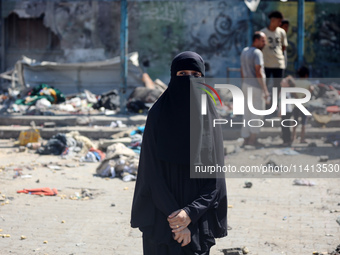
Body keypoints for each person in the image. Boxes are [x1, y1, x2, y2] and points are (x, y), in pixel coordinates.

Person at [131, 51, 228, 255]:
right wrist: (177, 220)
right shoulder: (157, 114)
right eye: (182, 74)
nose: (189, 80)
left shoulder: (209, 116)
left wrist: (189, 214)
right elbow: (151, 173)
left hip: (198, 219)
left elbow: (215, 178)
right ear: (172, 77)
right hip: (161, 217)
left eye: (195, 75)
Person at [240, 32, 269, 146]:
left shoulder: (244, 51)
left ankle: (246, 138)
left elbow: (242, 69)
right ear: (256, 40)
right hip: (256, 86)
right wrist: (265, 90)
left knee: (247, 113)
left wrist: (244, 83)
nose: (265, 43)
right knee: (257, 113)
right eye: (263, 40)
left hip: (246, 85)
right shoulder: (257, 53)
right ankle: (252, 140)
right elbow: (259, 72)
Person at [261, 11, 288, 104]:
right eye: (279, 21)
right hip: (266, 64)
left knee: (277, 87)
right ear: (272, 20)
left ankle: (273, 106)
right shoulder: (263, 33)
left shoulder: (281, 32)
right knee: (264, 86)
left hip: (279, 64)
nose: (280, 24)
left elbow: (283, 47)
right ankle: (263, 105)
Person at [291, 66, 314, 144]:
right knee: (304, 122)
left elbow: (292, 91)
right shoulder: (308, 83)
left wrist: (296, 97)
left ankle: (293, 137)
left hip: (296, 104)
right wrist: (305, 96)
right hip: (304, 105)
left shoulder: (295, 82)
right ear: (306, 75)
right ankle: (302, 138)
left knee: (295, 121)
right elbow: (312, 88)